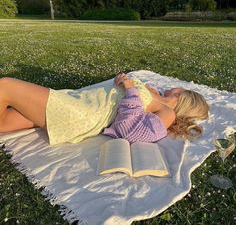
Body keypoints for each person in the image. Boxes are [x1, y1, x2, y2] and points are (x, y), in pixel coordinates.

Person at [0, 72, 209, 145]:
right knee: (3, 122)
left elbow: (133, 132)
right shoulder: (155, 94)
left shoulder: (168, 112)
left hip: (81, 113)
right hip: (77, 99)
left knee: (6, 86)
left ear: (184, 96)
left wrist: (131, 89)